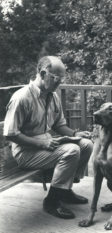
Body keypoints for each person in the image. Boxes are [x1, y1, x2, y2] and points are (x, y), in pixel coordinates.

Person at [3, 56, 93, 219]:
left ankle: (64, 191)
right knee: (71, 151)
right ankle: (52, 201)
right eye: (56, 78)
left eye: (62, 79)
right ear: (43, 73)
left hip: (45, 145)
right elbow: (11, 134)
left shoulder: (53, 96)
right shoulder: (22, 97)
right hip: (25, 152)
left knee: (86, 144)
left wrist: (74, 134)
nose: (59, 83)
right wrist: (41, 143)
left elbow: (59, 125)